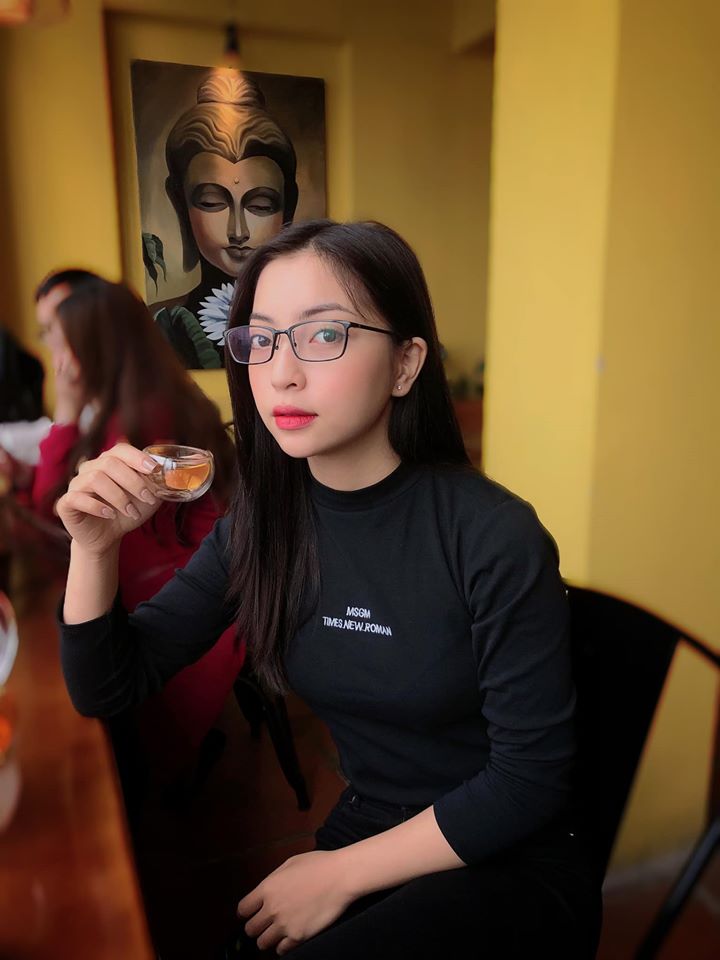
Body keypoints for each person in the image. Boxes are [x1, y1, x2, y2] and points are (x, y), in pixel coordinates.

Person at [56, 221, 602, 959]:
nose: (281, 373)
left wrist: (339, 874)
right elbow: (108, 687)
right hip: (377, 823)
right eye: (262, 339)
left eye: (323, 335)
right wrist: (93, 549)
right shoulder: (263, 524)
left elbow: (528, 781)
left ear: (406, 364)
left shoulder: (490, 535)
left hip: (510, 857)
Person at [28, 270, 245, 789]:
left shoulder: (137, 425)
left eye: (61, 341)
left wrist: (65, 408)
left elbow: (49, 519)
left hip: (186, 607)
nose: (57, 358)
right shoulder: (144, 400)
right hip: (180, 584)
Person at [152, 71, 299, 369]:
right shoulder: (162, 325)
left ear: (288, 205)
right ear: (180, 202)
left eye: (260, 205)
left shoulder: (310, 326)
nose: (238, 231)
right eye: (212, 203)